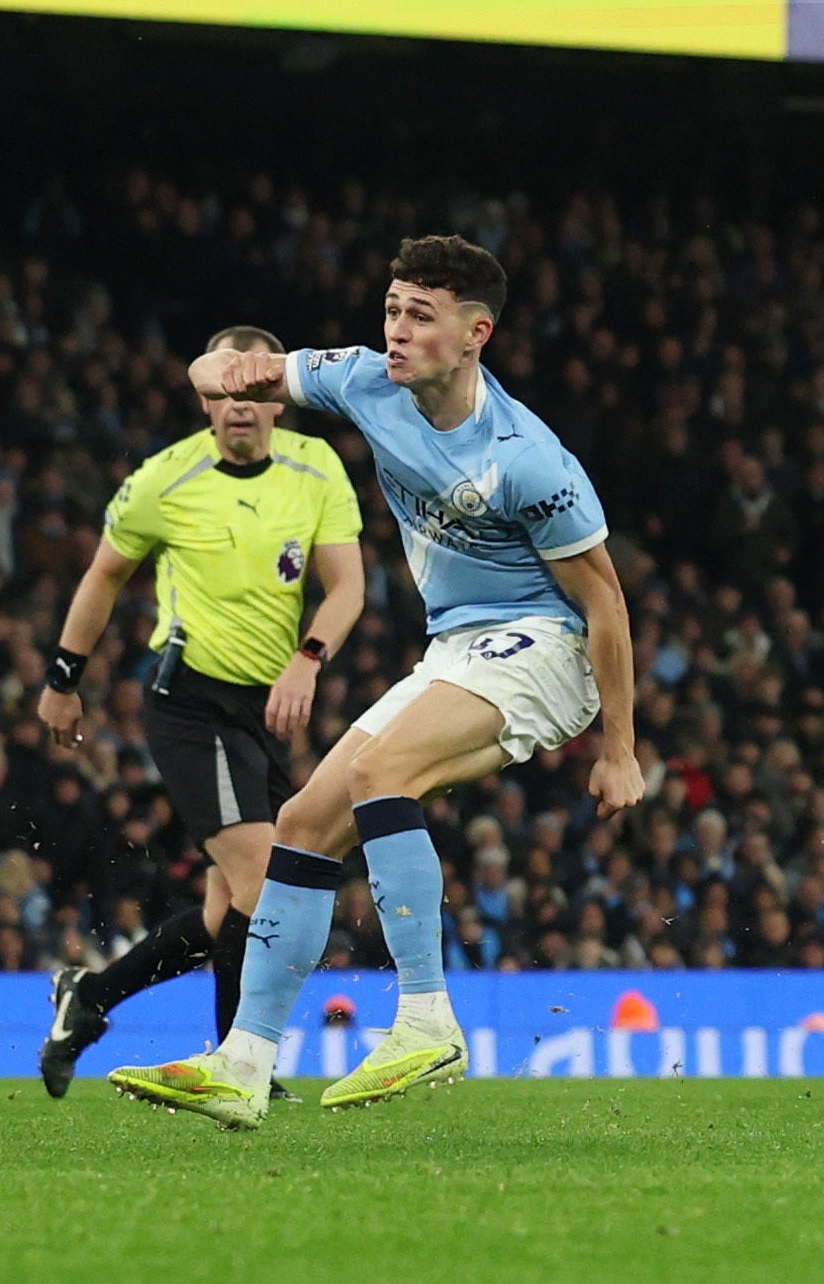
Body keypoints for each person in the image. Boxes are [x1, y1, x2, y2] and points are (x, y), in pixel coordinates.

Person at [108, 235, 641, 1127]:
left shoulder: (528, 458)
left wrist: (619, 748)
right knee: (303, 823)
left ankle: (428, 1018)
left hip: (545, 645)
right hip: (455, 646)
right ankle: (242, 1062)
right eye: (392, 309)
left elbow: (606, 603)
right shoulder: (362, 379)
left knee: (378, 773)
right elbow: (237, 372)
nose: (396, 330)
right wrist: (219, 367)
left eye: (420, 316)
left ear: (476, 334)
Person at [32, 324, 365, 1096]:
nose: (238, 404)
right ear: (205, 400)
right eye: (223, 391)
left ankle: (90, 997)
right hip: (191, 703)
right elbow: (104, 574)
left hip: (265, 711)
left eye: (254, 390)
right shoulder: (165, 479)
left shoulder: (316, 467)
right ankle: (242, 1067)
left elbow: (347, 584)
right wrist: (63, 676)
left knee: (226, 914)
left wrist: (308, 657)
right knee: (263, 882)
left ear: (277, 399)